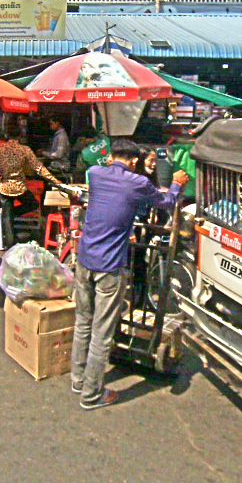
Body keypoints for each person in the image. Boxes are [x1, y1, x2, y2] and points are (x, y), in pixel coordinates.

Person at [72, 137, 188, 410]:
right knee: (102, 332)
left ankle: (78, 380)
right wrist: (177, 184)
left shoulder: (95, 173)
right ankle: (91, 394)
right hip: (109, 265)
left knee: (83, 322)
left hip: (85, 259)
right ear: (135, 162)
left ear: (111, 157)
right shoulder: (137, 182)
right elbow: (167, 202)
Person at [0, 129, 61, 249]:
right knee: (33, 204)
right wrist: (55, 180)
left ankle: (10, 244)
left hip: (4, 187)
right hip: (19, 187)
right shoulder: (24, 149)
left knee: (7, 217)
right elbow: (39, 168)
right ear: (19, 137)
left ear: (7, 135)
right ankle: (11, 214)